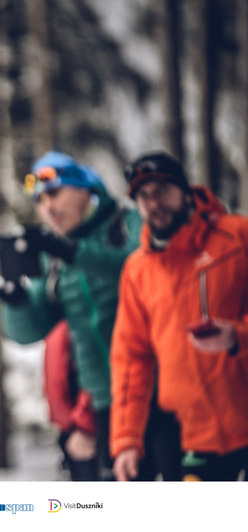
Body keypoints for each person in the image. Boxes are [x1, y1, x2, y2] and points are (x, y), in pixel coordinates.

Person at [0, 151, 145, 480]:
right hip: (99, 401)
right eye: (39, 200)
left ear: (83, 189)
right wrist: (16, 300)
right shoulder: (53, 256)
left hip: (152, 392)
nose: (47, 207)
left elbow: (139, 270)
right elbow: (29, 332)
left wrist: (71, 251)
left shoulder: (125, 223)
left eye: (54, 193)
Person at [111, 151, 248, 481]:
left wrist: (237, 335)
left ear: (186, 191)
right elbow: (131, 358)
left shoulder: (238, 236)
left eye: (162, 190)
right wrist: (126, 437)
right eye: (143, 196)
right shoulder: (137, 270)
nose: (154, 203)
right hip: (193, 437)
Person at [42, 320, 99, 480]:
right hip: (68, 428)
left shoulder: (82, 317)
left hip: (88, 426)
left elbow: (96, 372)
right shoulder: (54, 318)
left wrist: (85, 423)